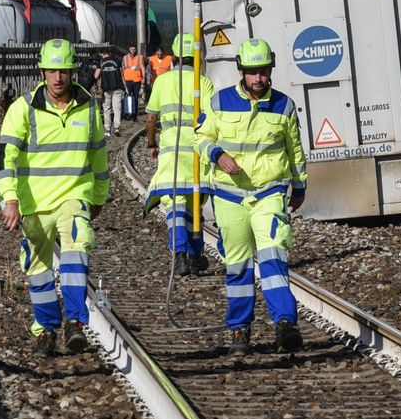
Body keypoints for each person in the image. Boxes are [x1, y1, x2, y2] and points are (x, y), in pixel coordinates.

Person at [0, 38, 109, 357]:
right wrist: (10, 199)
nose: (58, 77)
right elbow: (5, 157)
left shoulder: (89, 107)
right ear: (42, 72)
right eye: (51, 71)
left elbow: (98, 154)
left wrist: (99, 196)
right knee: (38, 269)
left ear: (72, 72)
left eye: (64, 71)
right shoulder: (23, 108)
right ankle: (46, 329)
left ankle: (75, 322)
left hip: (74, 195)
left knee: (77, 246)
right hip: (34, 203)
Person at [195, 38, 307, 356]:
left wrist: (299, 186)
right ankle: (239, 329)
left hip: (269, 194)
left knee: (274, 257)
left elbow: (295, 151)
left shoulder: (284, 106)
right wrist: (217, 155)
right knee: (238, 266)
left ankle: (285, 324)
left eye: (264, 71)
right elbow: (200, 137)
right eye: (253, 72)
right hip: (229, 196)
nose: (259, 78)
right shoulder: (220, 102)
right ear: (241, 71)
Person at [143, 32, 215, 276]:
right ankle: (195, 255)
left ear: (174, 57)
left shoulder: (162, 81)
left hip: (172, 151)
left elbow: (151, 119)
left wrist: (152, 143)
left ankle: (181, 255)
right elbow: (212, 117)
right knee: (195, 203)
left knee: (174, 204)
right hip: (196, 150)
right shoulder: (203, 82)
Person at [94, 48, 125, 136]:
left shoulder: (101, 62)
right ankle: (117, 128)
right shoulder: (117, 61)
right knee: (117, 108)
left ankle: (107, 130)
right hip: (117, 87)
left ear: (102, 54)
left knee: (107, 109)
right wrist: (125, 87)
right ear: (109, 53)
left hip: (106, 89)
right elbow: (122, 74)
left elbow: (96, 76)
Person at [122, 44, 144, 118]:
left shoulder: (140, 57)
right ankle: (127, 114)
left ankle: (134, 115)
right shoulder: (125, 57)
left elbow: (142, 67)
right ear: (129, 49)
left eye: (134, 49)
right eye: (131, 49)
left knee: (135, 97)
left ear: (136, 49)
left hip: (137, 80)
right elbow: (122, 68)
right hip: (127, 80)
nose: (133, 51)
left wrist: (143, 77)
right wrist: (123, 79)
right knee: (127, 97)